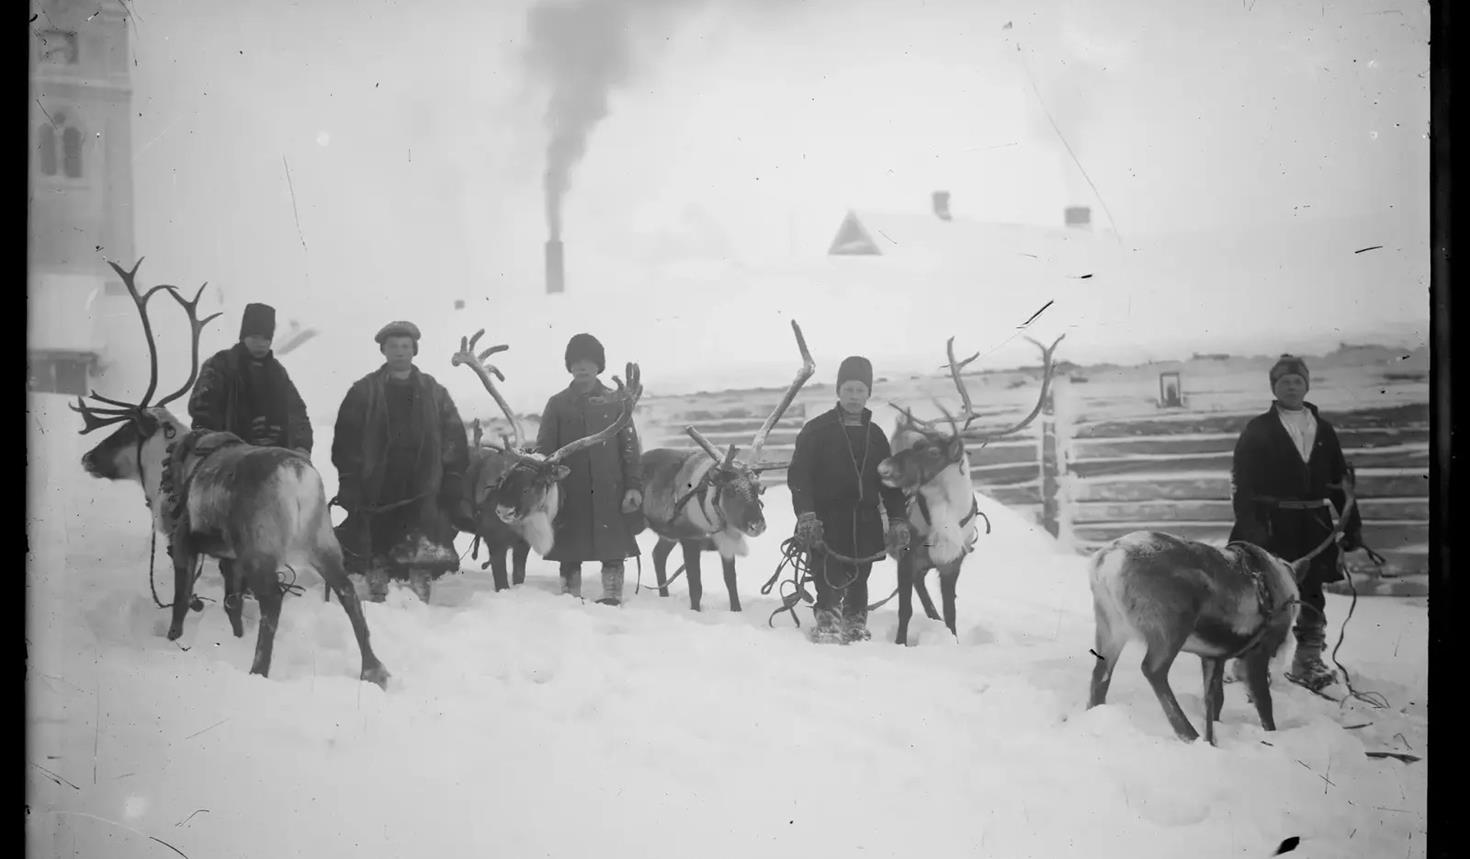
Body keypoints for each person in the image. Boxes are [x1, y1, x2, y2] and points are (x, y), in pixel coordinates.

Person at [1229, 354, 1362, 692]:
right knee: (1266, 593)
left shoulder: (1324, 429)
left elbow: (1339, 481)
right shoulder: (1259, 429)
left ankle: (1308, 660)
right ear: (1274, 387)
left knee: (1312, 591)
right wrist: (1251, 527)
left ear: (1306, 385)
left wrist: (1352, 527)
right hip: (1273, 523)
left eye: (1297, 381)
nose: (1291, 386)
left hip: (1314, 524)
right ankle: (1249, 660)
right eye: (1284, 381)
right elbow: (1242, 484)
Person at [331, 321, 470, 604]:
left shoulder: (434, 391)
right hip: (378, 482)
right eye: (393, 347)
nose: (399, 352)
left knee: (422, 543)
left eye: (405, 347)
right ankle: (378, 593)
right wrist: (349, 480)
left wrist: (453, 475)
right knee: (376, 542)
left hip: (423, 482)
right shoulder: (364, 391)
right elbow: (345, 439)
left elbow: (453, 434)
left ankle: (419, 595)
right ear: (383, 350)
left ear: (414, 350)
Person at [787, 355, 911, 644]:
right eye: (848, 390)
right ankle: (827, 619)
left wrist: (897, 519)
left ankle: (855, 621)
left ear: (868, 393)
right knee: (827, 572)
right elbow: (799, 477)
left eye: (860, 390)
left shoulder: (876, 436)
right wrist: (806, 515)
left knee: (860, 575)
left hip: (864, 520)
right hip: (826, 519)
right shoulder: (816, 430)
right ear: (838, 392)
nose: (854, 396)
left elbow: (889, 484)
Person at [536, 333, 643, 606]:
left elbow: (630, 448)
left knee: (613, 547)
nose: (582, 367)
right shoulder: (557, 404)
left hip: (610, 488)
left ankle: (612, 595)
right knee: (570, 547)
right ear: (569, 366)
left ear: (599, 366)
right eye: (576, 362)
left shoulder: (616, 401)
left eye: (589, 361)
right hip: (570, 490)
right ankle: (570, 596)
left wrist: (633, 486)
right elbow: (545, 448)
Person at [188, 302, 312, 453]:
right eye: (255, 337)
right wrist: (240, 431)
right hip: (228, 457)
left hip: (276, 457)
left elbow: (298, 413)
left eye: (266, 339)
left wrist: (301, 446)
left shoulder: (278, 372)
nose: (261, 344)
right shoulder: (220, 364)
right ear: (243, 336)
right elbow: (202, 413)